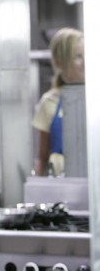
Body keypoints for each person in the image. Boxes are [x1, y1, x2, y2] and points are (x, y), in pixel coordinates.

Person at [32, 28, 85, 177]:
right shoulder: (49, 101)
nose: (85, 63)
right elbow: (42, 158)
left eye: (87, 55)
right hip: (61, 184)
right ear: (60, 62)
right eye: (78, 57)